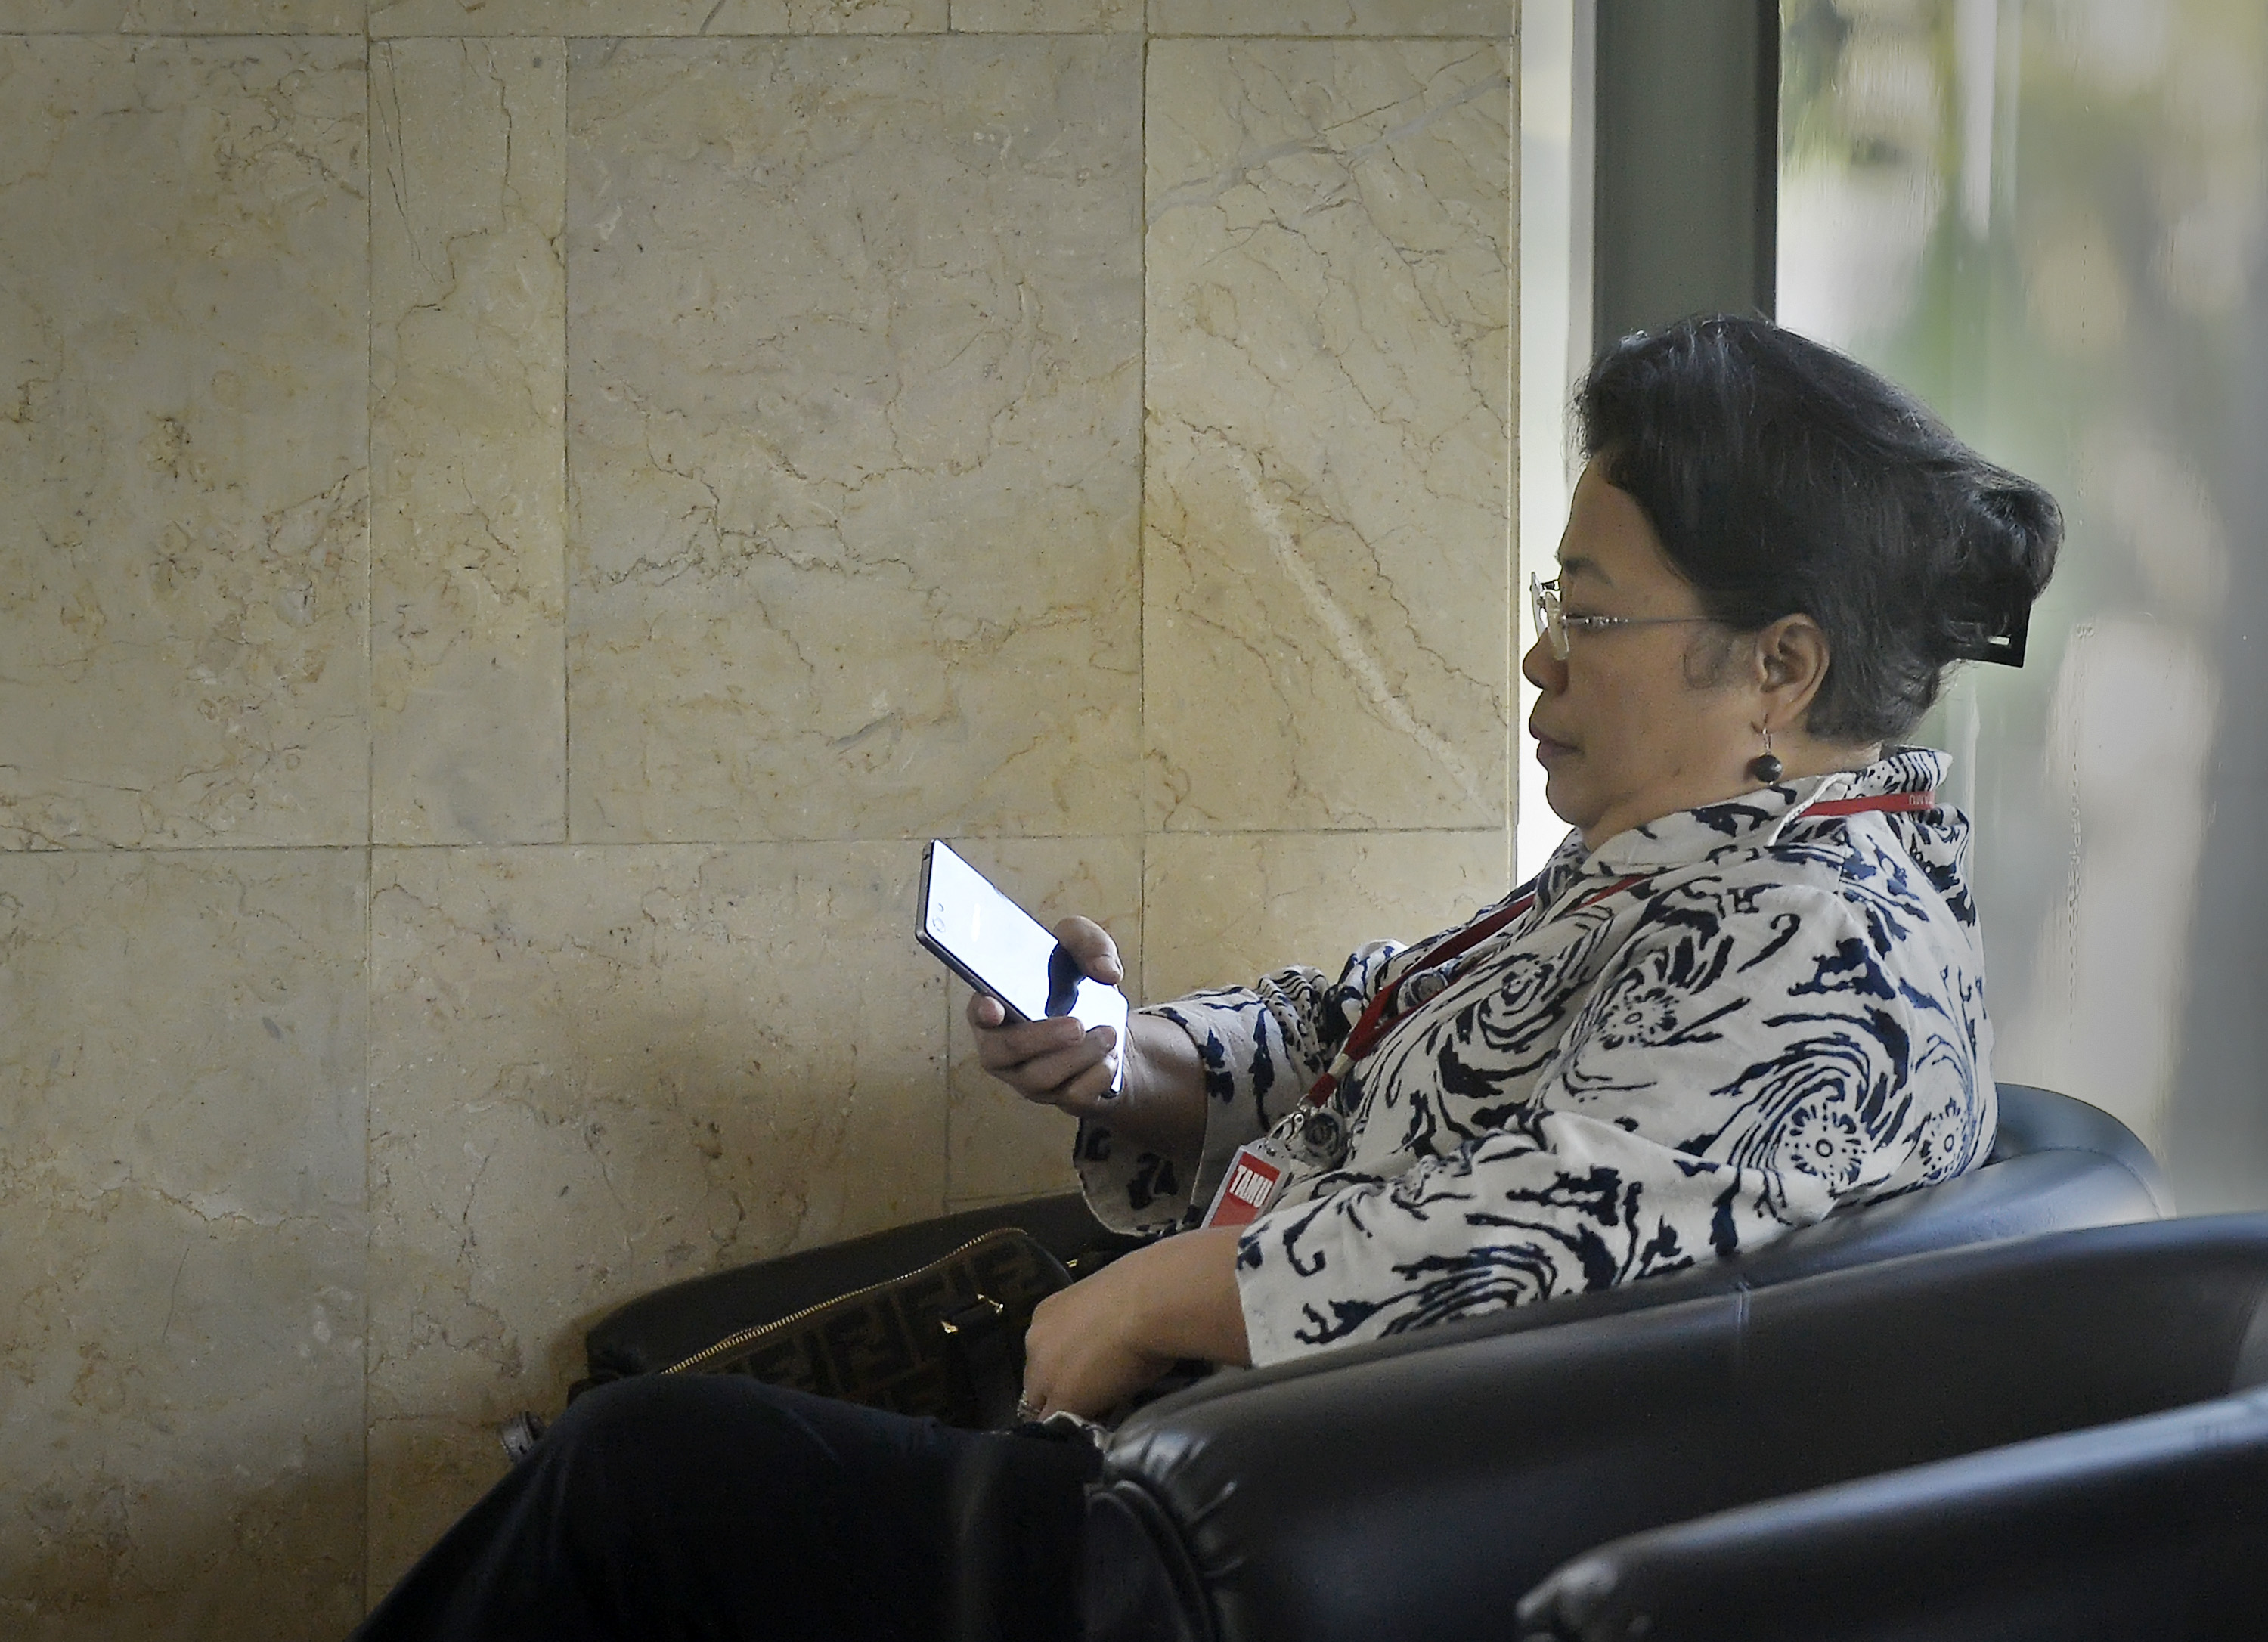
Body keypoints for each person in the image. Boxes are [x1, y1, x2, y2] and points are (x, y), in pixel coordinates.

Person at [349, 316, 2062, 1640]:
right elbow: (1360, 1019)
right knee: (623, 1454)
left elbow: (1557, 1236)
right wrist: (1126, 1055)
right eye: (1555, 597)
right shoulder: (1698, 870)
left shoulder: (1828, 943)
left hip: (1227, 1534)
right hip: (1201, 1456)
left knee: (636, 1482)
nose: (1542, 656)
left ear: (1778, 668)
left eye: (1592, 616)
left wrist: (1161, 1298)